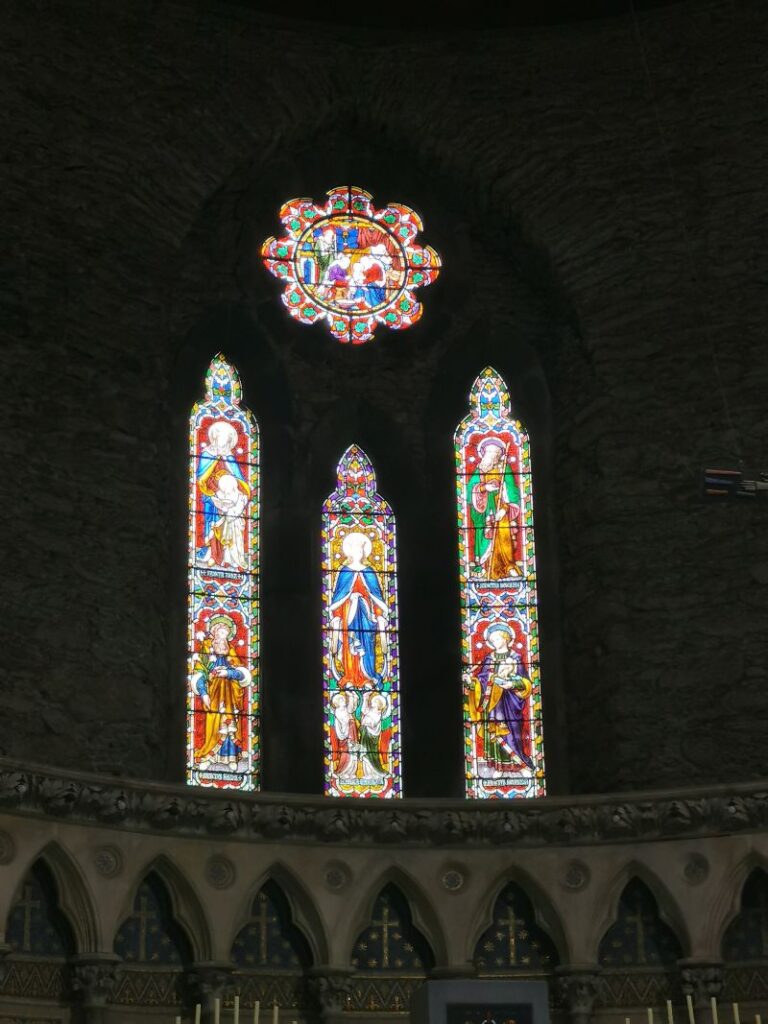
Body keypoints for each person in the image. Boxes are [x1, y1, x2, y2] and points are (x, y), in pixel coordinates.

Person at [470, 622, 533, 775]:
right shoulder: (489, 659)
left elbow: (525, 681)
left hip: (511, 703)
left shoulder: (515, 657)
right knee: (495, 735)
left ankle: (520, 765)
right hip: (492, 703)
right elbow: (481, 679)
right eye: (492, 640)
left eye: (496, 639)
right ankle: (498, 767)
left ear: (505, 639)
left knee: (513, 734)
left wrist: (512, 683)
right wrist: (471, 683)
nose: (494, 643)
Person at [189, 615, 251, 770]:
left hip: (229, 694)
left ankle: (232, 758)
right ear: (214, 632)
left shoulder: (230, 650)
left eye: (226, 633)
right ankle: (209, 756)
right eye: (221, 632)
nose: (223, 636)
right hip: (213, 693)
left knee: (230, 724)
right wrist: (203, 693)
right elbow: (200, 670)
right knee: (213, 724)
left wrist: (228, 673)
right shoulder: (207, 647)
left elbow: (240, 672)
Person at [329, 532, 389, 688]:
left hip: (366, 616)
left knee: (367, 644)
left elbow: (376, 596)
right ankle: (350, 676)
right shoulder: (344, 572)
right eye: (356, 550)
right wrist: (351, 597)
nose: (359, 553)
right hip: (348, 615)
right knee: (350, 647)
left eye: (361, 550)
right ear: (350, 552)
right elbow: (338, 598)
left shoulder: (369, 572)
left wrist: (376, 612)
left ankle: (367, 675)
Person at [196, 420, 250, 567]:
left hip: (229, 496)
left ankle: (227, 554)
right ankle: (211, 553)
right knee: (212, 524)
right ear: (215, 438)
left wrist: (234, 493)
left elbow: (239, 478)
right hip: (211, 496)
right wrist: (214, 493)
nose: (224, 445)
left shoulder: (229, 457)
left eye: (227, 442)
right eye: (222, 441)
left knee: (229, 524)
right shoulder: (207, 454)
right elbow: (201, 477)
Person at [466, 437, 521, 579]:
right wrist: (484, 488)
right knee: (484, 533)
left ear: (499, 455)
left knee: (504, 535)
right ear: (484, 453)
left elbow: (512, 489)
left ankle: (508, 566)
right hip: (484, 509)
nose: (491, 455)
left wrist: (506, 508)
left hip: (501, 506)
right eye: (489, 452)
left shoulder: (504, 468)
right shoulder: (480, 469)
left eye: (495, 453)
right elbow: (470, 489)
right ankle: (484, 566)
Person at [209, 473, 248, 569]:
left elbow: (238, 511)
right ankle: (226, 560)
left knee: (235, 544)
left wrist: (227, 510)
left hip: (235, 524)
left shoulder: (241, 497)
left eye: (226, 487)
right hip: (227, 522)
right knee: (223, 540)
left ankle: (236, 561)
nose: (225, 491)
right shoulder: (227, 495)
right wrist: (222, 507)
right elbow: (222, 509)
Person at [358, 691, 390, 781]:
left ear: (379, 704)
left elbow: (373, 724)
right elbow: (364, 710)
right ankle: (367, 774)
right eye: (373, 701)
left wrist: (366, 722)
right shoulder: (370, 710)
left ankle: (376, 772)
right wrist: (365, 698)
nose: (373, 702)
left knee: (372, 755)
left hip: (372, 736)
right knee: (365, 754)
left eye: (375, 701)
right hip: (365, 734)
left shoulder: (378, 713)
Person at [330, 690, 359, 781]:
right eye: (341, 700)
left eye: (343, 699)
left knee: (353, 752)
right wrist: (349, 722)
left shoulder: (346, 709)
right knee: (346, 753)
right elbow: (343, 721)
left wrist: (351, 697)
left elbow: (351, 709)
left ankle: (351, 772)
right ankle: (342, 772)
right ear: (337, 703)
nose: (343, 701)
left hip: (352, 732)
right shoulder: (338, 711)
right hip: (345, 734)